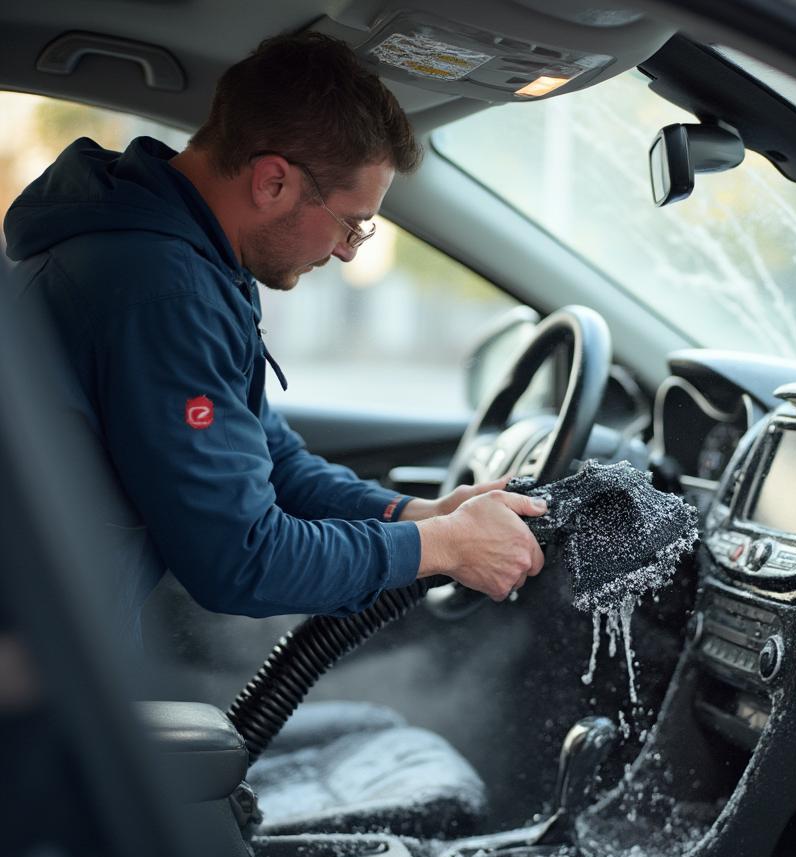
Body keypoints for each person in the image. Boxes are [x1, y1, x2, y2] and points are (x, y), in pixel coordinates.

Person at [3, 32, 546, 644]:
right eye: (353, 223)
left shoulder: (195, 264)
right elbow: (241, 559)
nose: (347, 250)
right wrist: (442, 546)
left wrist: (418, 514)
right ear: (272, 183)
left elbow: (272, 457)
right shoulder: (161, 292)